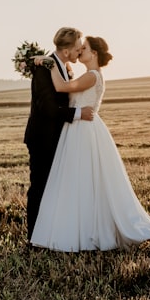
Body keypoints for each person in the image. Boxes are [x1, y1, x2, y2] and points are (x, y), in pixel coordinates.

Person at [30, 36, 150, 252]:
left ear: (94, 54)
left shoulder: (92, 76)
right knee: (79, 180)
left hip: (85, 131)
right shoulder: (87, 75)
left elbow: (61, 88)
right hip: (77, 129)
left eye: (84, 48)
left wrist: (49, 64)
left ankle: (87, 231)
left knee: (85, 178)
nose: (80, 51)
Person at [23, 27, 95, 241]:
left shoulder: (64, 68)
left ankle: (51, 233)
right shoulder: (45, 69)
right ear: (66, 52)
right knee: (40, 187)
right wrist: (78, 113)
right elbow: (47, 108)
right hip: (42, 138)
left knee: (55, 187)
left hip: (59, 138)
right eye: (78, 48)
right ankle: (34, 237)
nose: (80, 50)